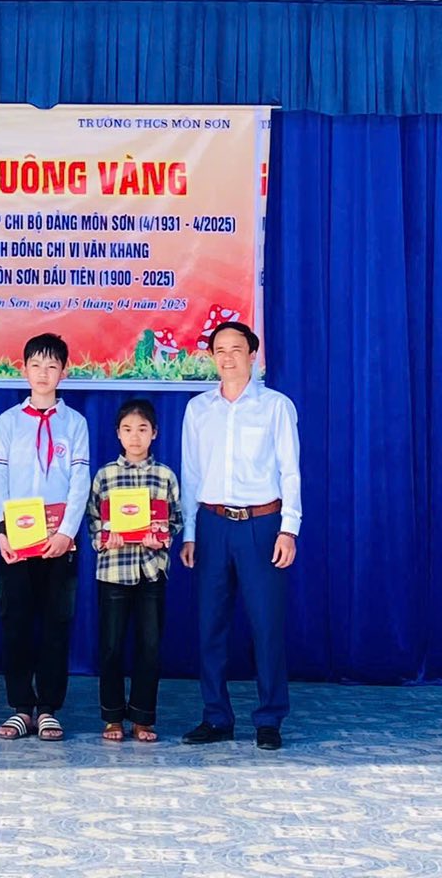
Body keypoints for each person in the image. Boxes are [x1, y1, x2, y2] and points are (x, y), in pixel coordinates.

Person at [180, 320, 302, 750]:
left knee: (266, 626)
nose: (227, 357)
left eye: (236, 349)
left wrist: (289, 529)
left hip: (261, 525)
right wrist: (190, 532)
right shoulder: (198, 409)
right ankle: (216, 716)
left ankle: (269, 718)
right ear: (211, 357)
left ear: (253, 355)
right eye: (220, 350)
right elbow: (191, 474)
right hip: (212, 524)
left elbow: (290, 471)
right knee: (210, 626)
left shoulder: (275, 406)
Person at [0, 331, 91, 741]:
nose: (43, 373)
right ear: (24, 369)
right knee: (14, 623)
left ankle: (48, 708)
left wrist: (67, 533)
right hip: (15, 541)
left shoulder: (75, 423)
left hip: (59, 544)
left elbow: (80, 480)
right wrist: (1, 531)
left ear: (64, 372)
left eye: (52, 366)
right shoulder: (8, 421)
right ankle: (20, 708)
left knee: (55, 625)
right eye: (36, 365)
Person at [87, 396, 179, 743]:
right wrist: (104, 538)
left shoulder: (165, 476)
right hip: (113, 572)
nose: (135, 436)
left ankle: (143, 718)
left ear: (154, 433)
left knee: (150, 647)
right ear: (117, 434)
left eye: (142, 429)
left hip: (151, 572)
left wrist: (161, 537)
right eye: (127, 429)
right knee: (111, 647)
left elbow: (176, 519)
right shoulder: (105, 475)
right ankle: (112, 717)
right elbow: (93, 518)